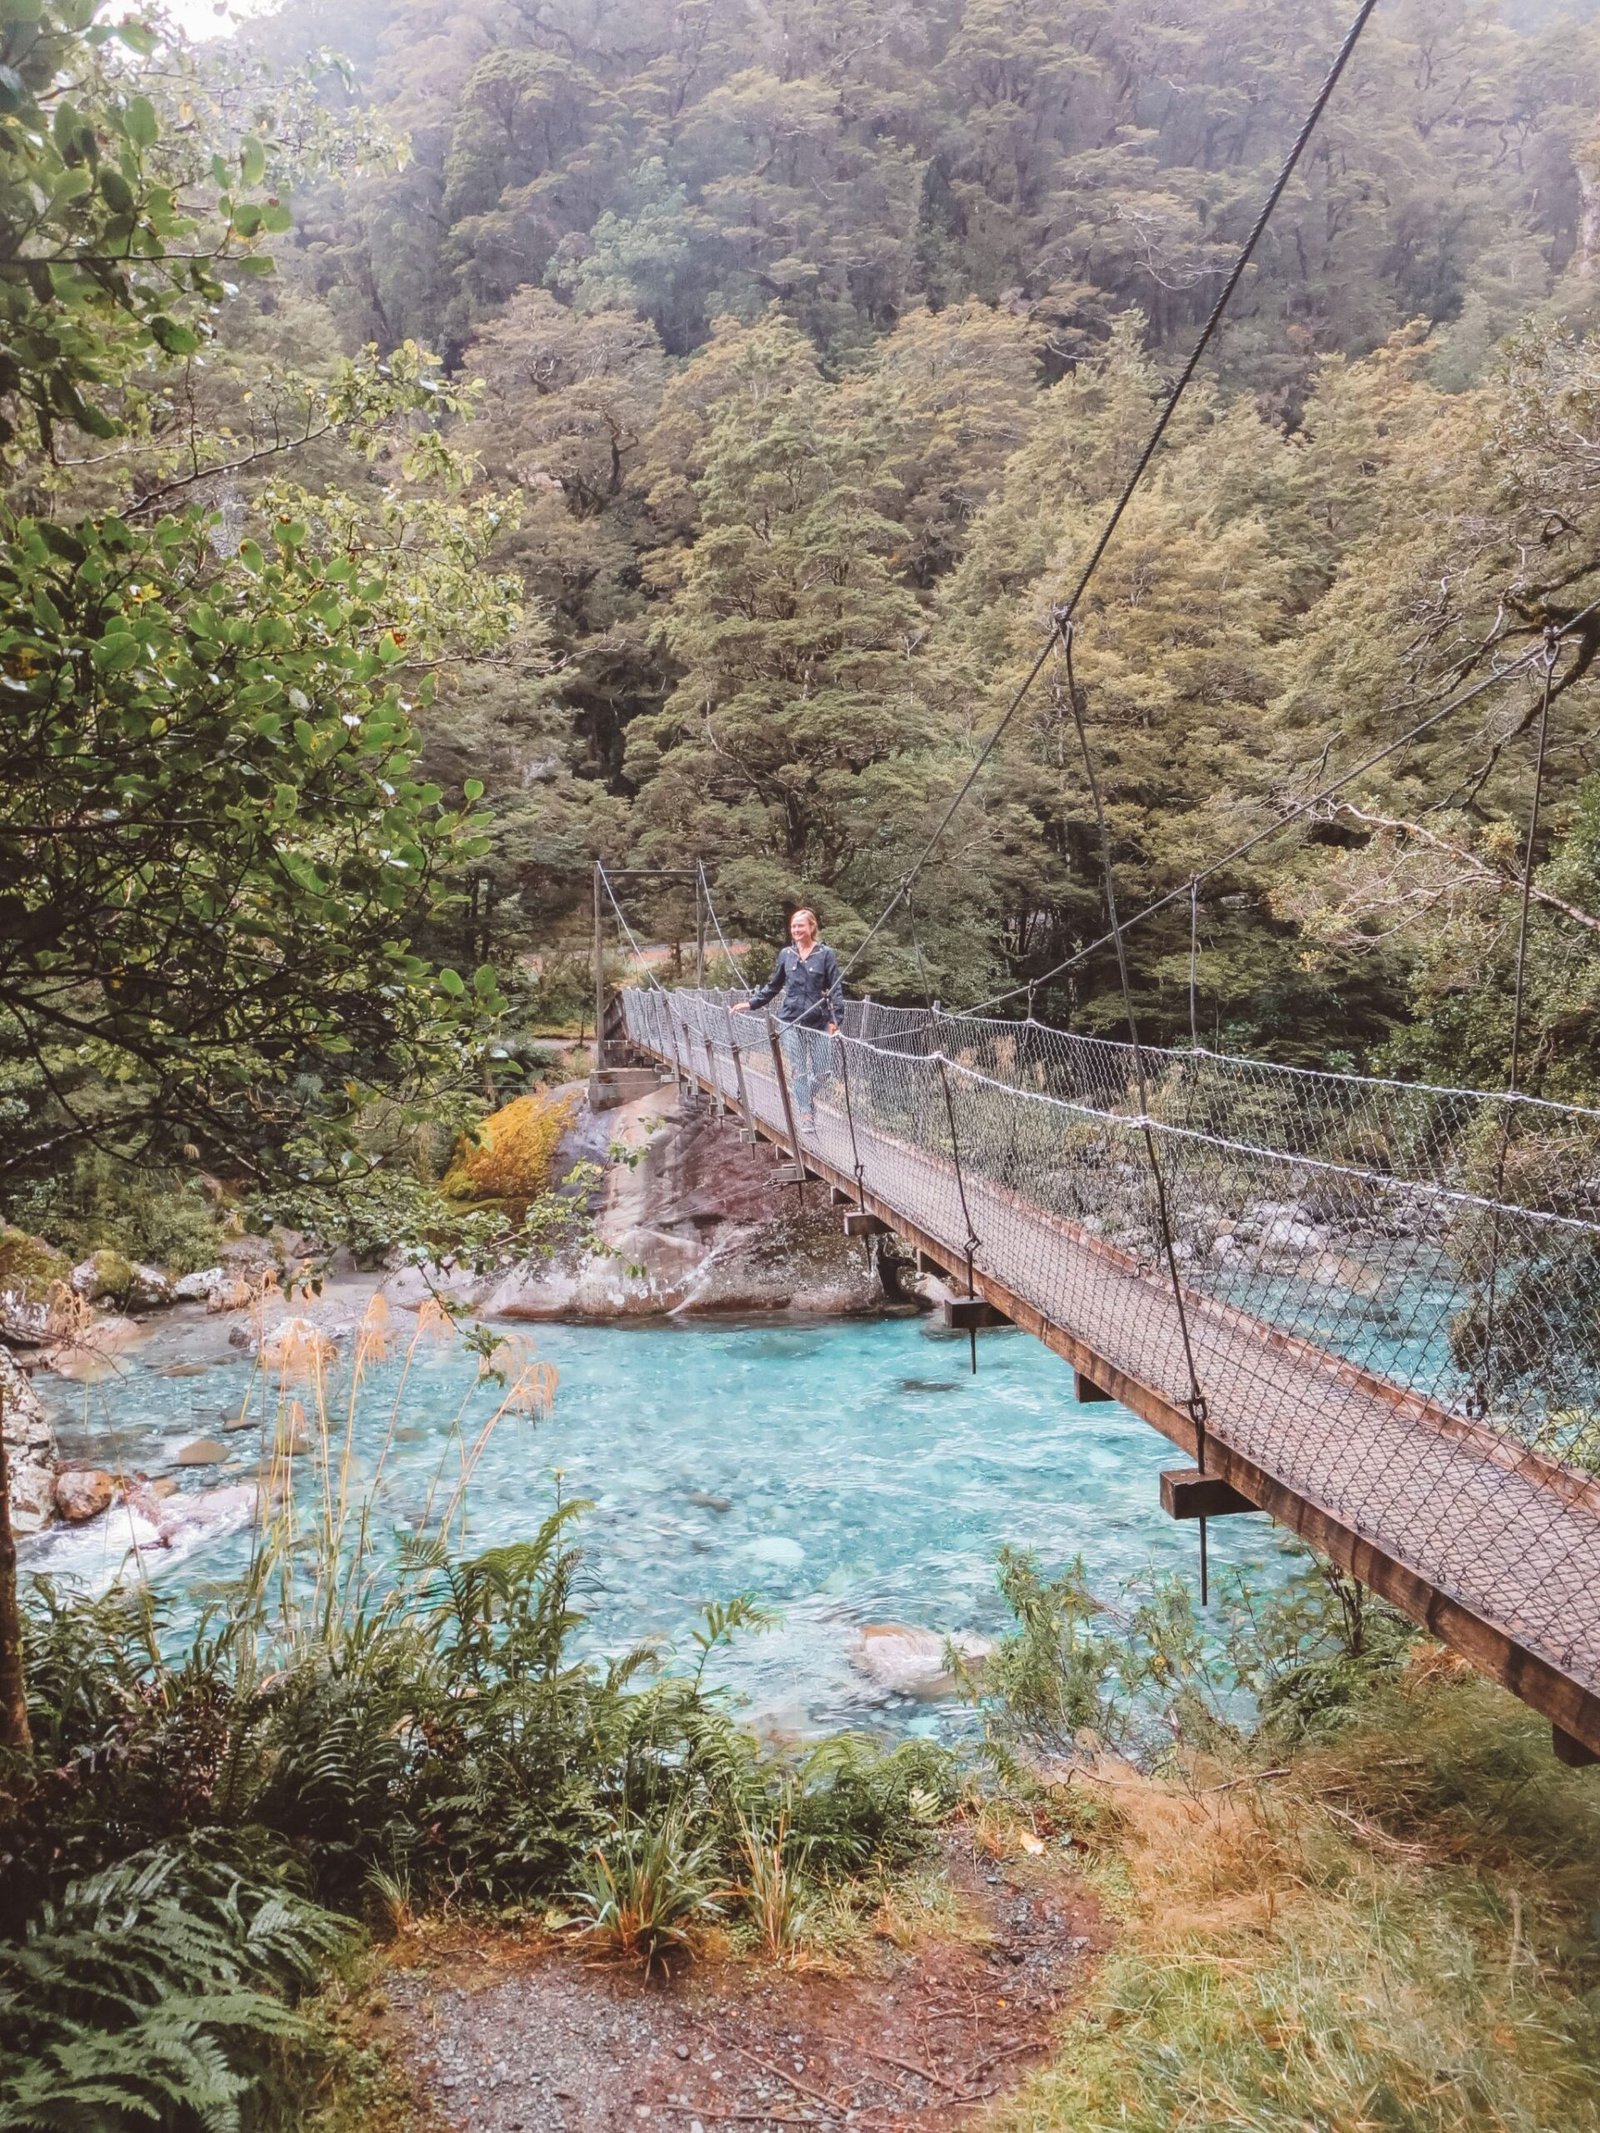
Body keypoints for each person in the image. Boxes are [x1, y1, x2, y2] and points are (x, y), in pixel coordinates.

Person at [732, 907, 843, 1127]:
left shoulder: (825, 954)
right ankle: (806, 1115)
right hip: (790, 1021)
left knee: (824, 1072)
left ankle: (803, 1095)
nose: (796, 930)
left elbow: (836, 989)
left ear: (812, 927)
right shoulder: (786, 955)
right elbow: (774, 986)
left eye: (800, 925)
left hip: (818, 1021)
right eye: (793, 926)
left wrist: (835, 1021)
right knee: (799, 1070)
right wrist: (751, 1003)